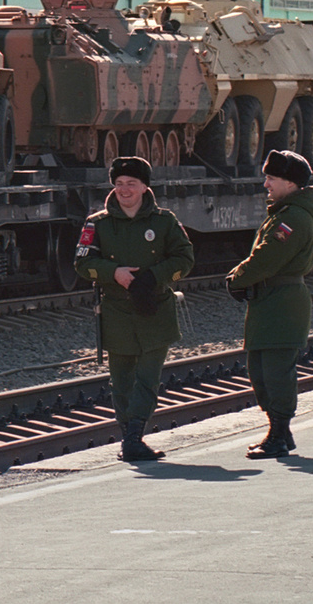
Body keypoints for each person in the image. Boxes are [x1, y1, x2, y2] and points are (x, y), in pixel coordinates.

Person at [75, 155, 195, 463]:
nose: (124, 190)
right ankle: (130, 437)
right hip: (116, 311)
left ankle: (133, 435)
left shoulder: (165, 221)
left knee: (148, 376)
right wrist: (114, 273)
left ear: (144, 187)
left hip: (155, 308)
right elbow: (82, 262)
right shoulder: (97, 223)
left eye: (131, 184)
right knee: (122, 379)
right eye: (119, 184)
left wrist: (154, 276)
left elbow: (185, 259)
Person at [226, 146, 313, 457]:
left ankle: (278, 435)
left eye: (271, 178)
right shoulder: (285, 213)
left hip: (283, 304)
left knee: (276, 372)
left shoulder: (292, 218)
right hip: (270, 301)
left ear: (290, 184)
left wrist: (237, 278)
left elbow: (266, 257)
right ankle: (279, 431)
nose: (266, 184)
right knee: (261, 370)